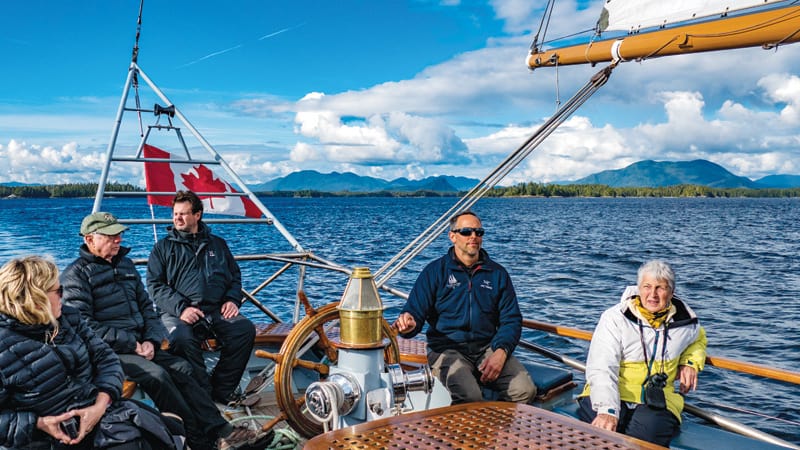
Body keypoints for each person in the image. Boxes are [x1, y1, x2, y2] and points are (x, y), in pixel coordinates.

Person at [60, 212, 239, 450]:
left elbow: (147, 308)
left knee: (183, 368)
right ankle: (196, 442)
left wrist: (152, 341)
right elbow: (85, 327)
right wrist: (132, 345)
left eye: (119, 234)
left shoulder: (125, 265)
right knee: (158, 376)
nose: (118, 239)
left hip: (142, 345)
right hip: (106, 353)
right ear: (90, 240)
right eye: (111, 235)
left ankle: (222, 431)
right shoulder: (76, 276)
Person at [0, 256, 180, 450]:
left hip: (102, 416)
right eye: (58, 291)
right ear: (35, 299)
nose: (63, 295)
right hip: (51, 438)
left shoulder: (68, 318)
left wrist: (101, 403)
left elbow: (106, 357)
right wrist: (39, 424)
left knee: (171, 429)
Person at [394, 210, 536, 404]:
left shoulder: (497, 274)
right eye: (467, 232)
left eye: (479, 232)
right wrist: (409, 324)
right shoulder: (435, 272)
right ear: (452, 236)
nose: (474, 237)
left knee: (525, 390)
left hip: (487, 347)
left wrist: (500, 352)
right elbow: (414, 313)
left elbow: (511, 320)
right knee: (471, 396)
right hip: (447, 350)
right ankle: (468, 431)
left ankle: (497, 430)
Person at [577, 260, 707, 447]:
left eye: (660, 288)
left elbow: (699, 340)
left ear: (671, 292)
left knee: (644, 438)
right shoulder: (615, 318)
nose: (652, 294)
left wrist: (690, 362)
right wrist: (607, 410)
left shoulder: (686, 322)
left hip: (658, 397)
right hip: (611, 390)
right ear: (638, 288)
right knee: (601, 434)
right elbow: (602, 367)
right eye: (647, 286)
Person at [147, 191, 256, 405]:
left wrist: (232, 300)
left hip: (215, 310)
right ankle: (203, 397)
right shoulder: (162, 248)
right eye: (175, 214)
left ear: (197, 215)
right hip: (177, 313)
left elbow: (234, 276)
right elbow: (155, 286)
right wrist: (182, 309)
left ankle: (221, 392)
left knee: (244, 330)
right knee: (181, 340)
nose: (177, 218)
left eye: (183, 214)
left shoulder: (218, 245)